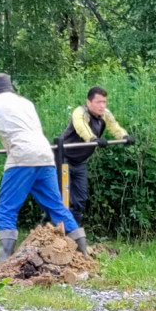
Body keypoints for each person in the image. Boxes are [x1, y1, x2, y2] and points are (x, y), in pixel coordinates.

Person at [0, 73, 88, 264]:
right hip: (44, 156)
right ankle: (83, 250)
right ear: (10, 88)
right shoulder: (26, 103)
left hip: (21, 158)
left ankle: (4, 255)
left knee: (7, 207)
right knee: (56, 206)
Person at [60, 86, 134, 225]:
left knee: (80, 199)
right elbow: (82, 127)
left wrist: (125, 136)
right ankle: (52, 232)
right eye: (99, 102)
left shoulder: (105, 114)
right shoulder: (80, 112)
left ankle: (73, 232)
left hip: (80, 162)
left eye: (104, 102)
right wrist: (93, 139)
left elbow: (114, 127)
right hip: (64, 158)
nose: (102, 106)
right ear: (89, 102)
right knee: (63, 198)